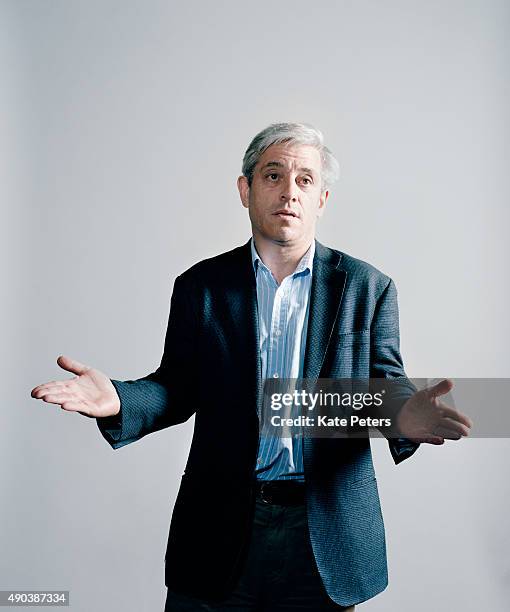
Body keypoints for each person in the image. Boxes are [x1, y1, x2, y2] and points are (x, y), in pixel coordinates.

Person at [31, 123, 472, 611]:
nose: (289, 192)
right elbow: (177, 386)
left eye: (305, 180)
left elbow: (385, 388)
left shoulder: (368, 287)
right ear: (245, 189)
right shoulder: (201, 286)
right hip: (220, 526)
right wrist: (119, 397)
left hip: (324, 534)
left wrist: (402, 416)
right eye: (273, 175)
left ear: (322, 198)